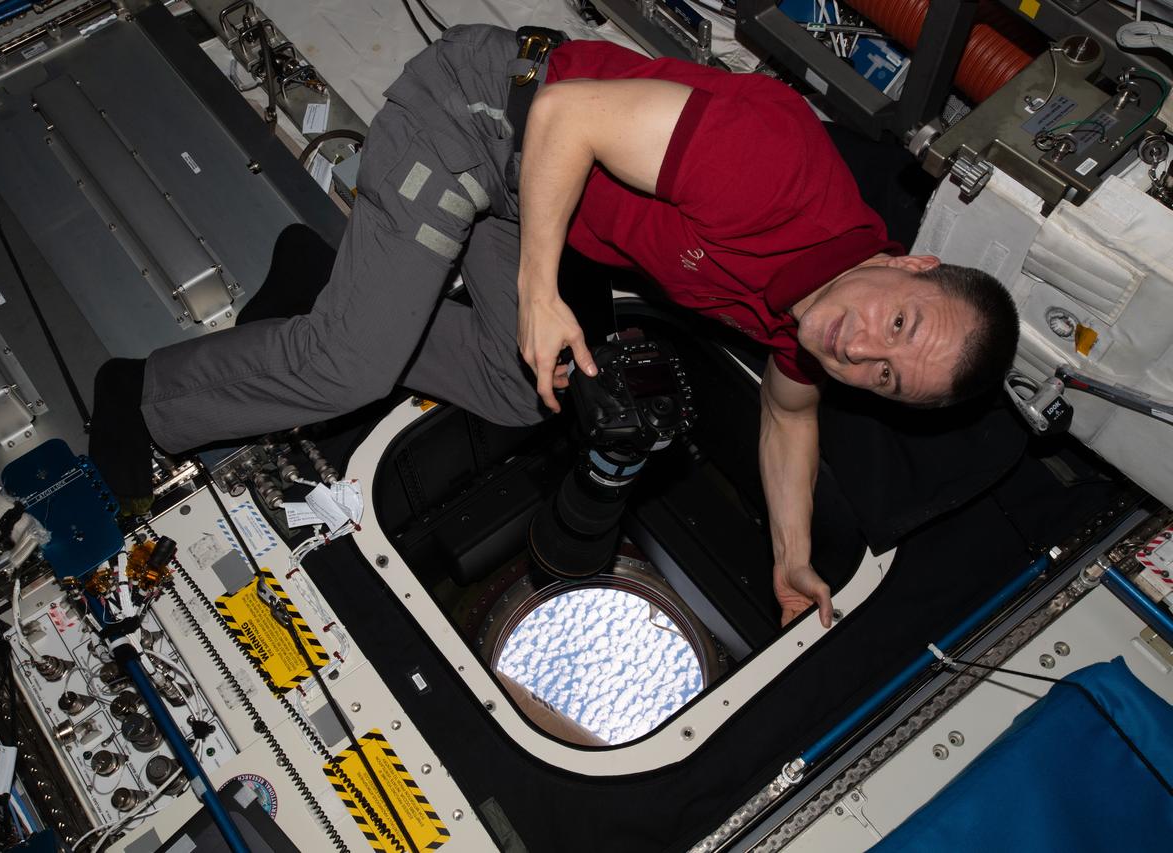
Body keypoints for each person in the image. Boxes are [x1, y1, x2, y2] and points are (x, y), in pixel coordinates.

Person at [90, 24, 1018, 627]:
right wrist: (540, 290)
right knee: (350, 367)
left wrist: (790, 556)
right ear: (910, 260)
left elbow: (792, 416)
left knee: (518, 388)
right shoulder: (780, 178)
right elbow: (569, 114)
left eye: (887, 377)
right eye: (901, 322)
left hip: (526, 192)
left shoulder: (813, 322)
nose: (863, 348)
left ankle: (332, 280)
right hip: (488, 114)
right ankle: (140, 399)